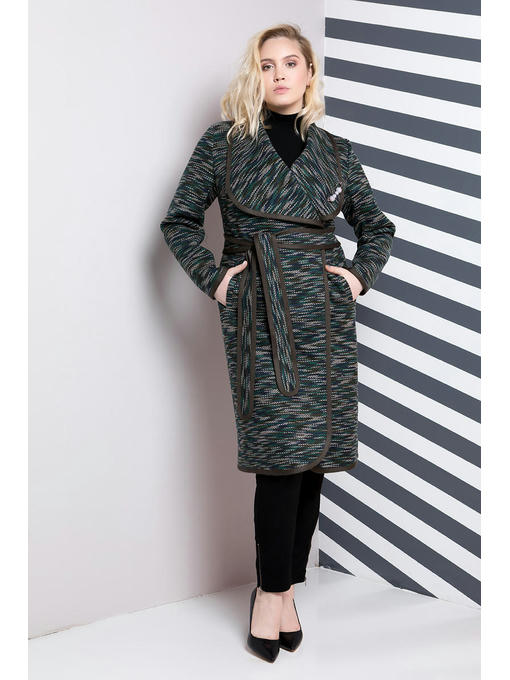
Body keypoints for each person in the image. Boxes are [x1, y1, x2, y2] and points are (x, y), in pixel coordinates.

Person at [159, 23, 396, 662]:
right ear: (255, 75)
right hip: (260, 311)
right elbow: (180, 222)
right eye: (268, 65)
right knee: (280, 455)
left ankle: (287, 590)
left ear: (310, 73)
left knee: (312, 456)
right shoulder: (225, 143)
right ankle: (269, 594)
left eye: (292, 63)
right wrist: (218, 282)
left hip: (323, 316)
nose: (280, 74)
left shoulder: (337, 151)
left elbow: (378, 228)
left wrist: (357, 277)